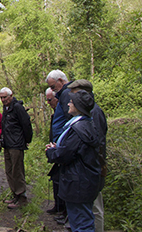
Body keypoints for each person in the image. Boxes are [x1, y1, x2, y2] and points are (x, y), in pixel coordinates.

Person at [46, 90, 101, 232]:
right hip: (83, 180)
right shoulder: (86, 124)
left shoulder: (78, 129)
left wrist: (52, 151)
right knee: (82, 219)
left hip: (78, 182)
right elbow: (73, 149)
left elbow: (65, 154)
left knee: (81, 222)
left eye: (72, 101)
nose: (68, 103)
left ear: (79, 106)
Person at [68, 79, 107, 232]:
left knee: (94, 206)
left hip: (91, 167)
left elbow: (97, 141)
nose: (71, 96)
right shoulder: (88, 112)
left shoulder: (94, 112)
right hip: (88, 166)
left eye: (74, 92)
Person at [0, 87, 33, 209]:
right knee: (8, 171)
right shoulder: (6, 108)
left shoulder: (17, 107)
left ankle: (21, 196)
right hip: (7, 144)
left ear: (11, 95)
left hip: (16, 144)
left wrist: (27, 140)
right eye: (1, 97)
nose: (3, 100)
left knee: (17, 170)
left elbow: (26, 124)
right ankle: (15, 194)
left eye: (5, 97)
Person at [45, 70, 72, 220]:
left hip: (65, 147)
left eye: (54, 87)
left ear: (61, 81)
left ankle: (66, 213)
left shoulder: (67, 95)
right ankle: (61, 209)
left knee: (65, 181)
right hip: (59, 145)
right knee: (58, 179)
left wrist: (62, 144)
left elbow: (69, 123)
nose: (54, 91)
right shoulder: (63, 96)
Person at [45, 88, 66, 215]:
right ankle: (58, 206)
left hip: (63, 149)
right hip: (55, 147)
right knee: (55, 178)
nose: (48, 102)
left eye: (49, 99)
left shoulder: (64, 112)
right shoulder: (55, 113)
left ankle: (63, 209)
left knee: (61, 179)